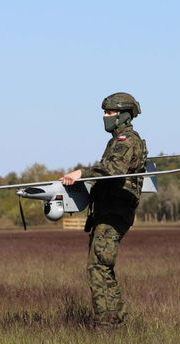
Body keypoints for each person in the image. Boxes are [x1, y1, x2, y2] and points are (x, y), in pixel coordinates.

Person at [61, 92, 148, 327]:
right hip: (107, 212)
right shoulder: (116, 140)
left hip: (115, 213)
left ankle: (105, 324)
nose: (105, 117)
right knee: (103, 267)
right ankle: (115, 319)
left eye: (109, 112)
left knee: (98, 267)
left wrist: (81, 173)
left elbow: (113, 168)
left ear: (122, 115)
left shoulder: (127, 140)